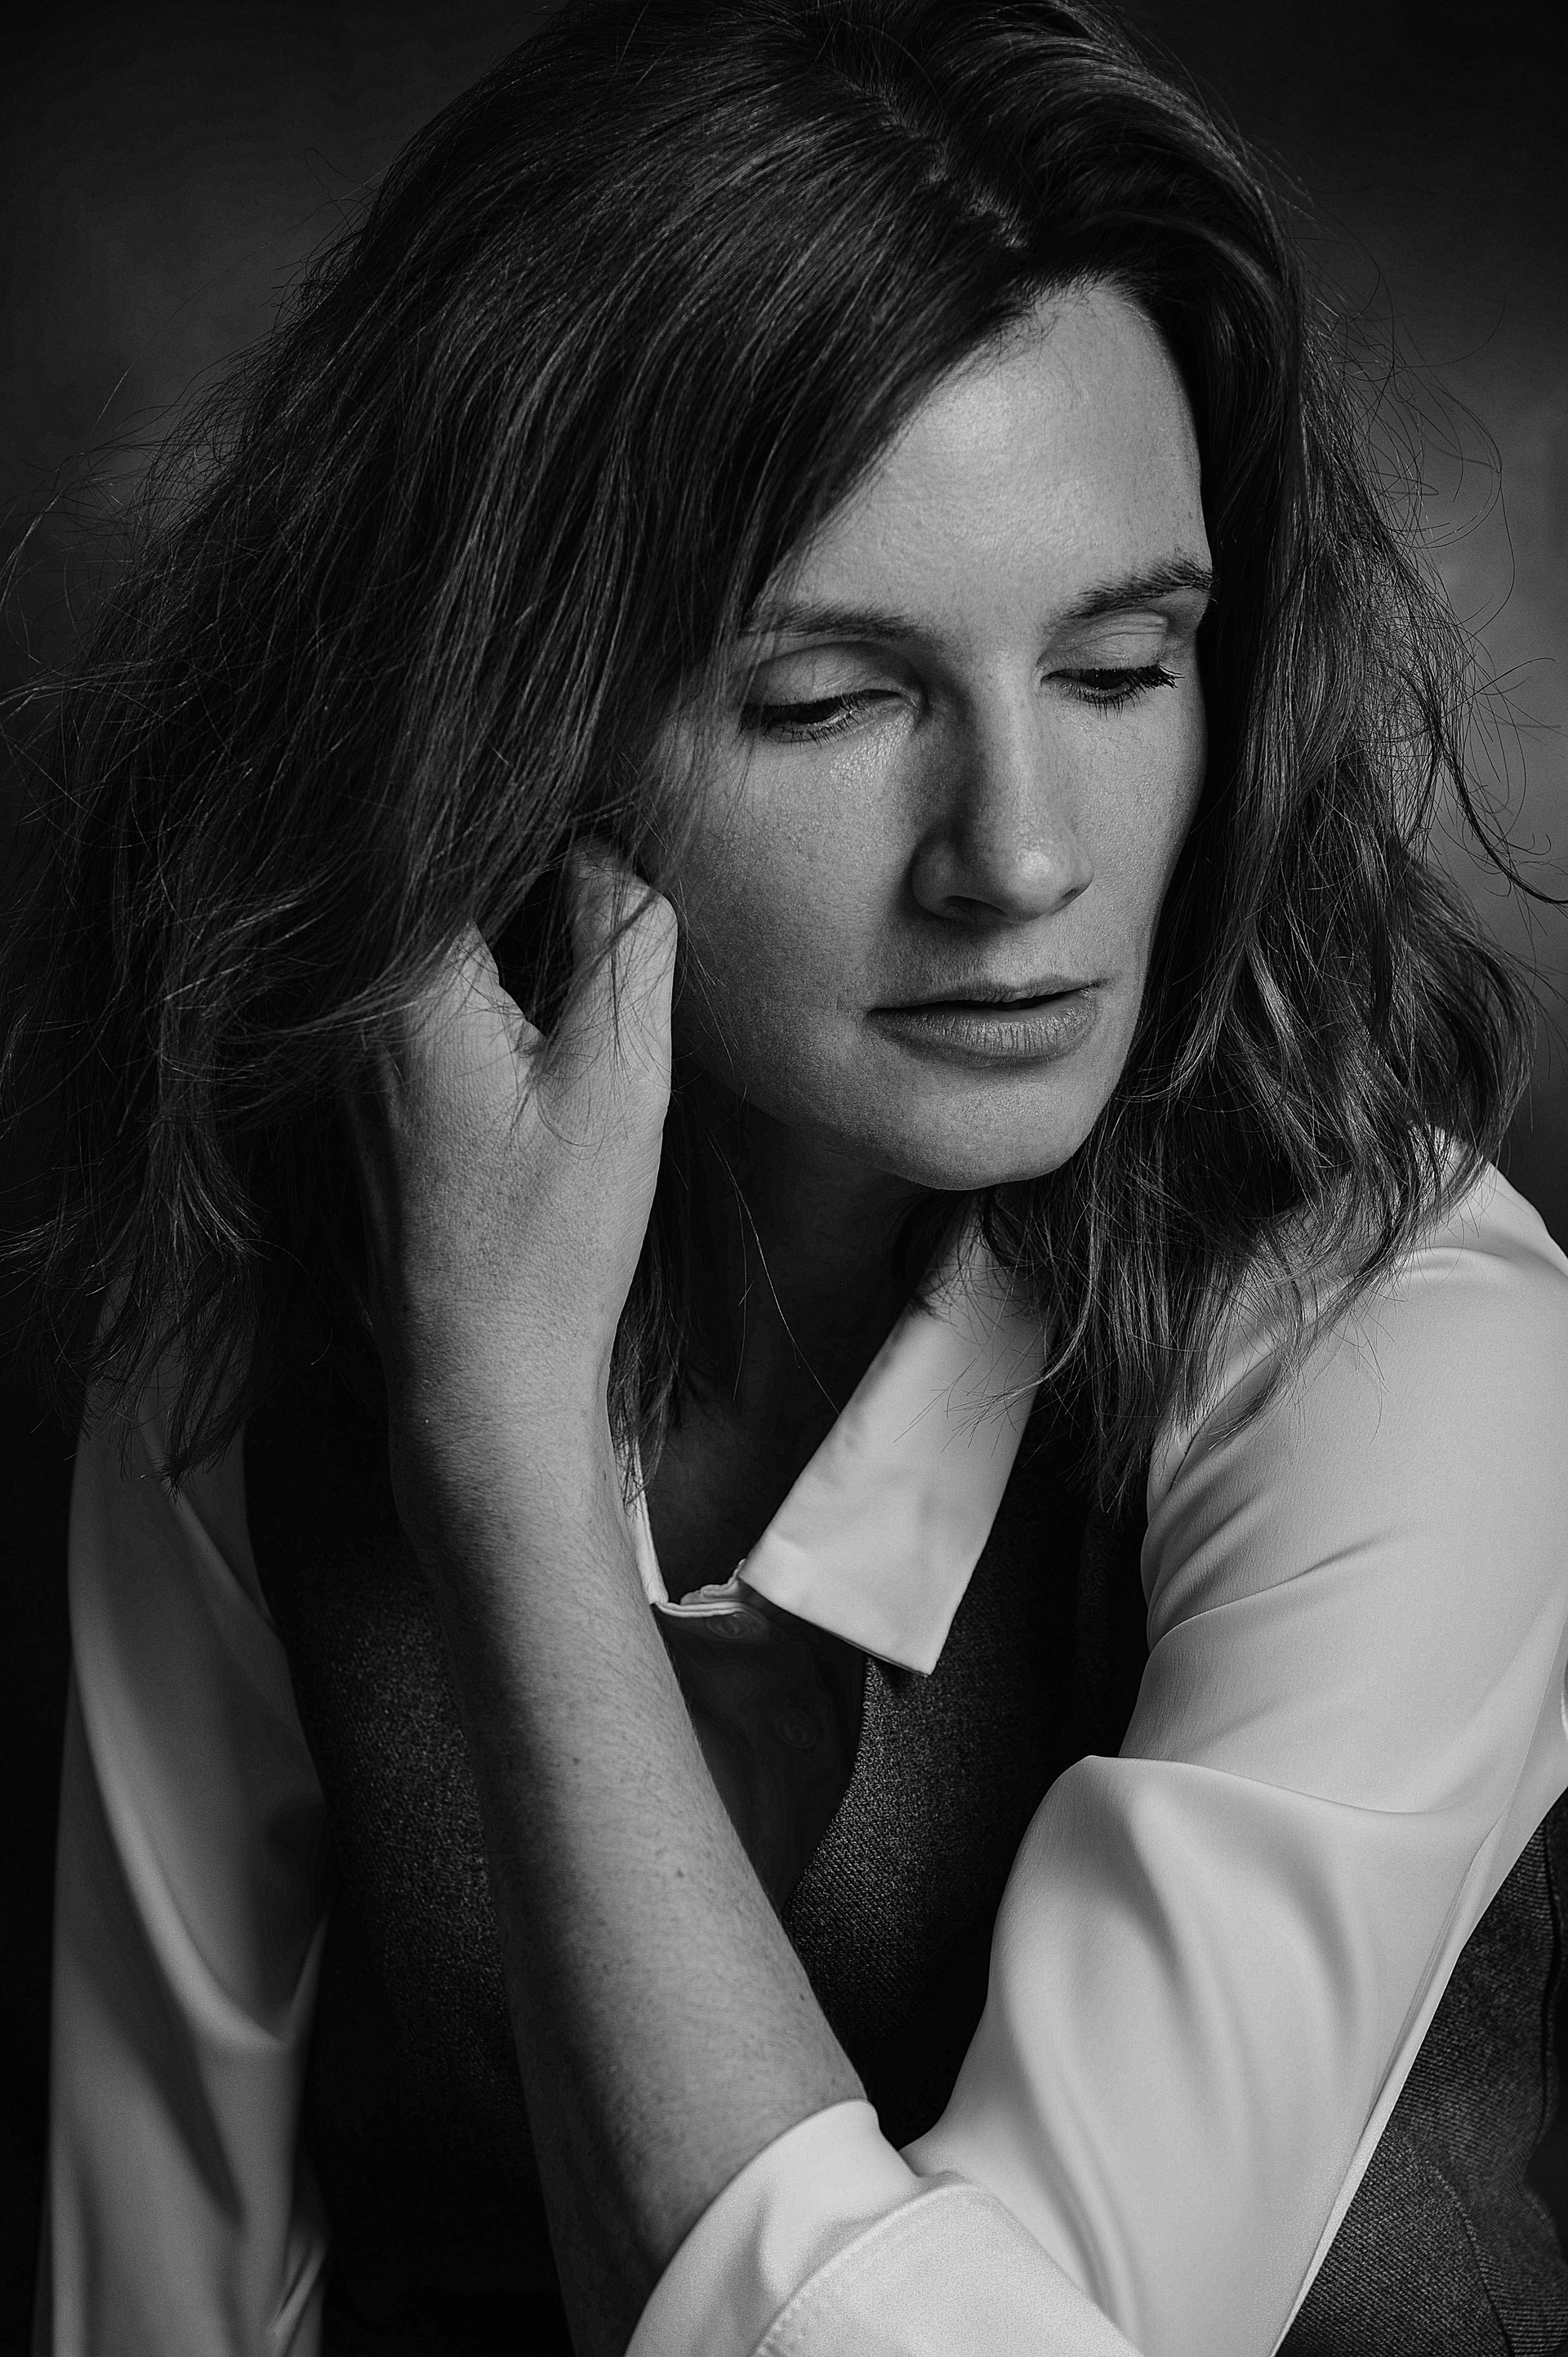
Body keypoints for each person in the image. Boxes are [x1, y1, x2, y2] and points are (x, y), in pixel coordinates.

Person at [4, 1, 1567, 2352]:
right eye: (830, 701)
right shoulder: (243, 1331)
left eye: (1121, 668)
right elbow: (159, 2300)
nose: (1020, 859)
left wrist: (509, 1478)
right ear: (503, 729)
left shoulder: (1413, 1342)